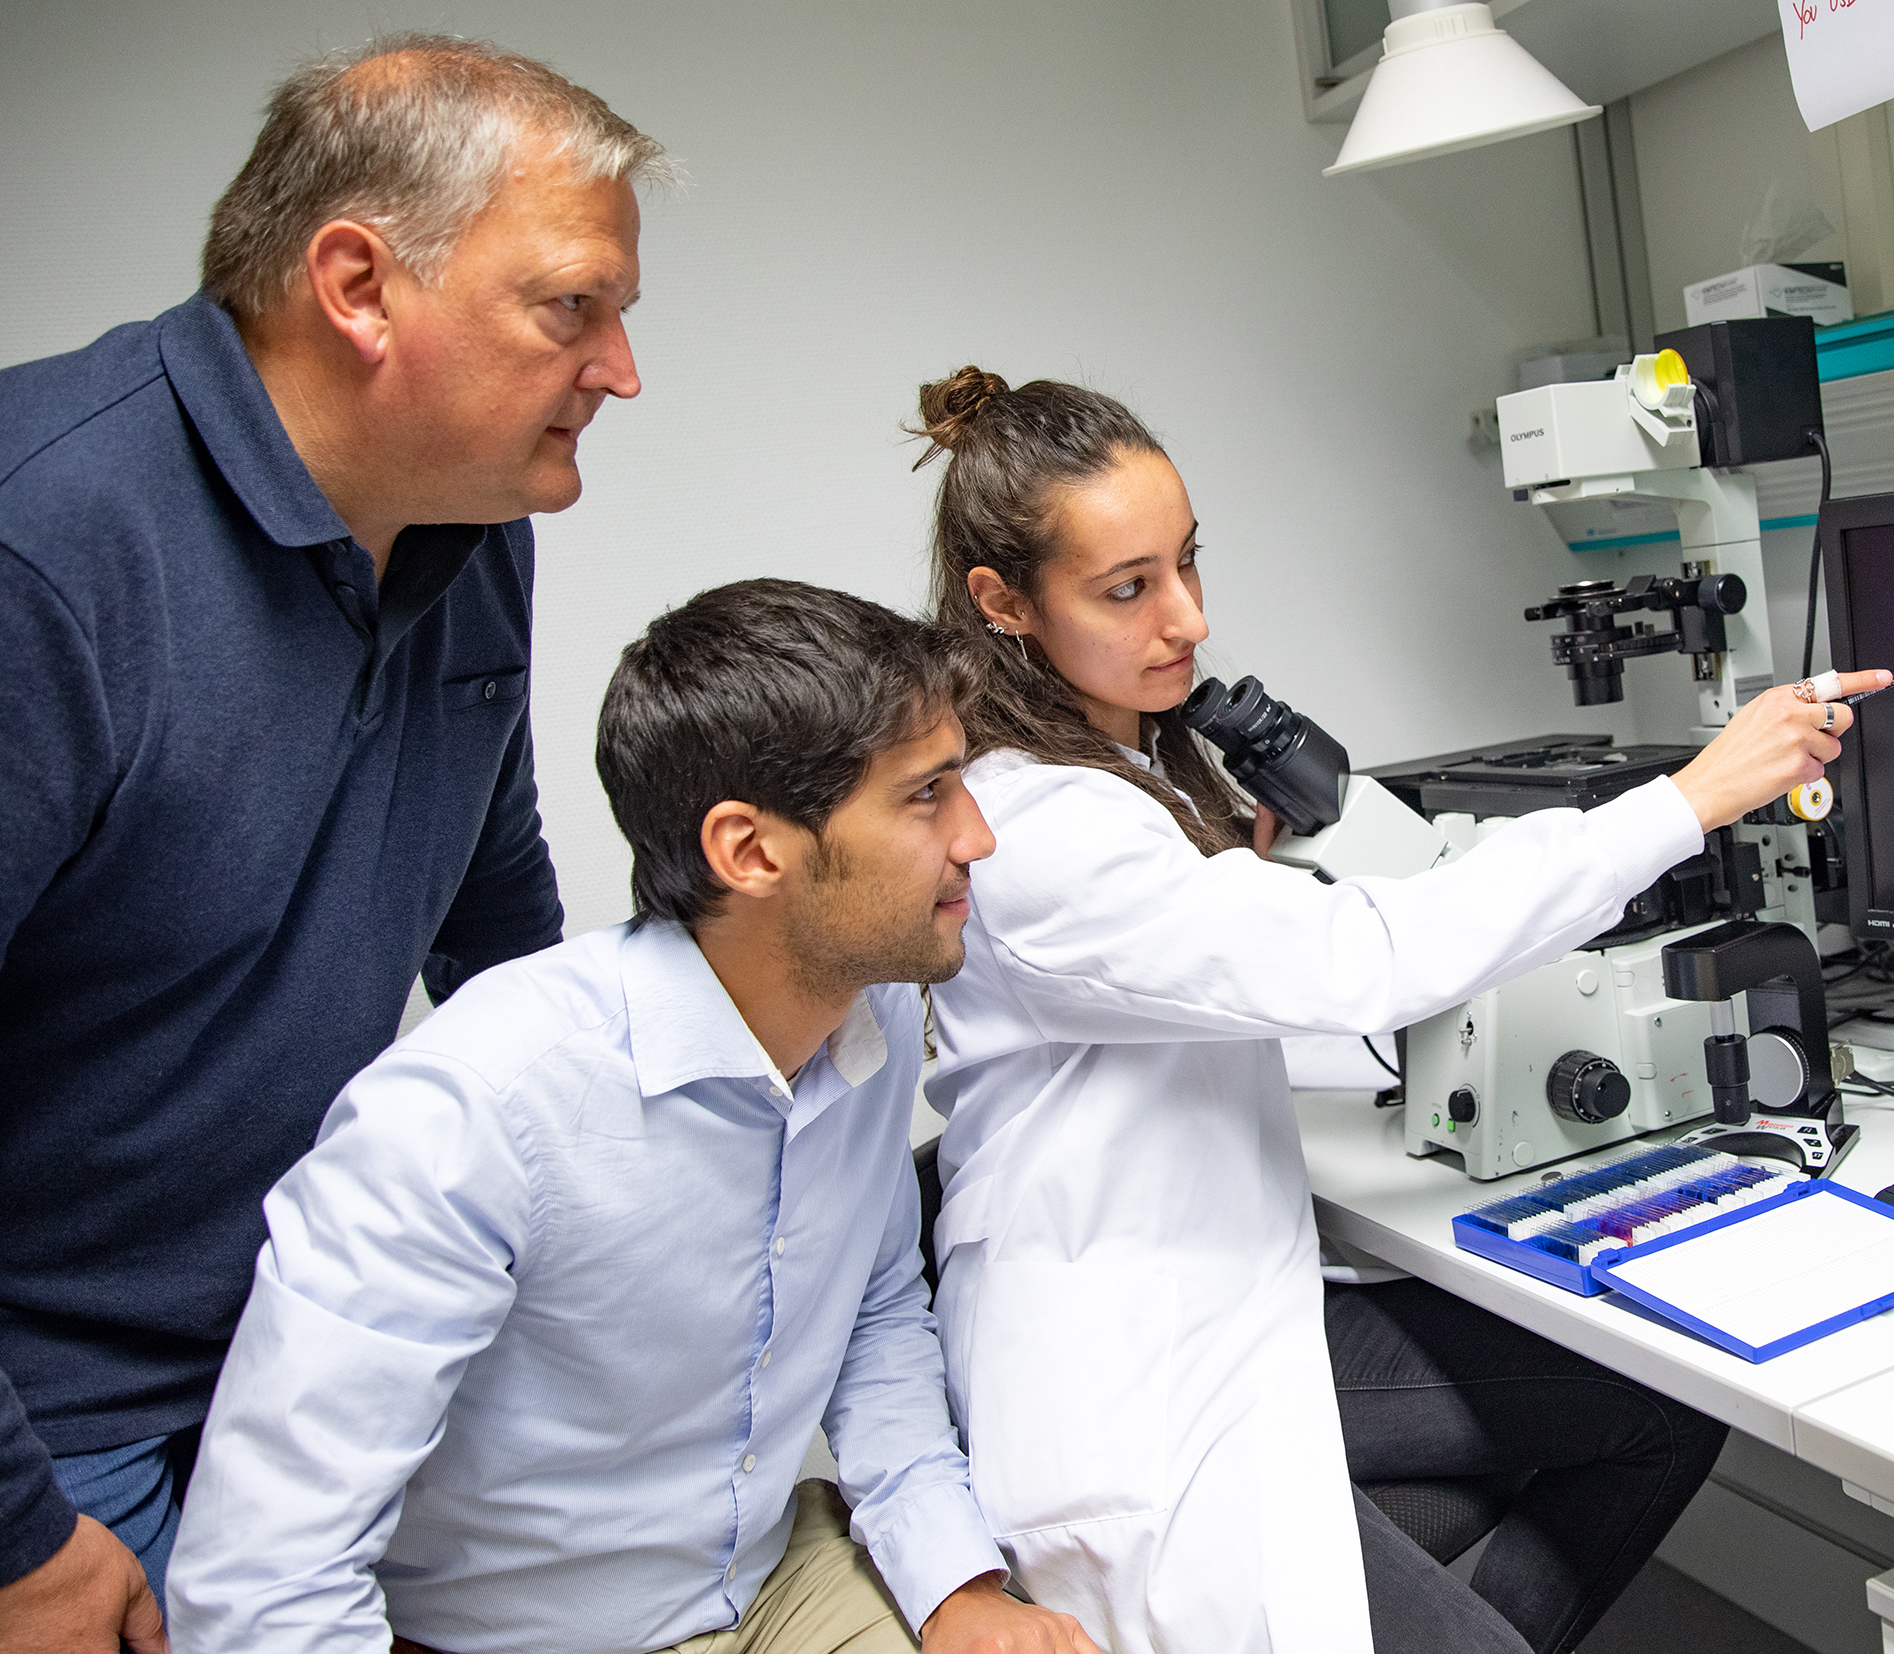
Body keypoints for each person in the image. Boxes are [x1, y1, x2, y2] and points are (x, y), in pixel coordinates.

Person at [910, 366, 1894, 1654]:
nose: (1187, 619)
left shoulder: (1119, 778)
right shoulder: (1039, 827)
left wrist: (1251, 889)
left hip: (1229, 1306)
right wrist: (1691, 797)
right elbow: (1363, 959)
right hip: (1136, 1382)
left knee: (1658, 1401)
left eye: (1188, 564)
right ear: (1002, 604)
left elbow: (1215, 1004)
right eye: (1128, 588)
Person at [0, 35, 666, 1654]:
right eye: (571, 306)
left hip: (287, 1347)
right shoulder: (47, 546)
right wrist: (20, 1538)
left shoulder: (472, 524)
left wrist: (649, 1190)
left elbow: (491, 900)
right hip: (50, 1423)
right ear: (360, 286)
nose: (622, 368)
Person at [165, 582, 1099, 1654]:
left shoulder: (865, 1008)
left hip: (768, 1585)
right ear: (749, 851)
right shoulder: (473, 1110)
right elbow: (263, 1580)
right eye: (925, 794)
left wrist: (957, 1589)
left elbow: (875, 1313)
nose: (976, 836)